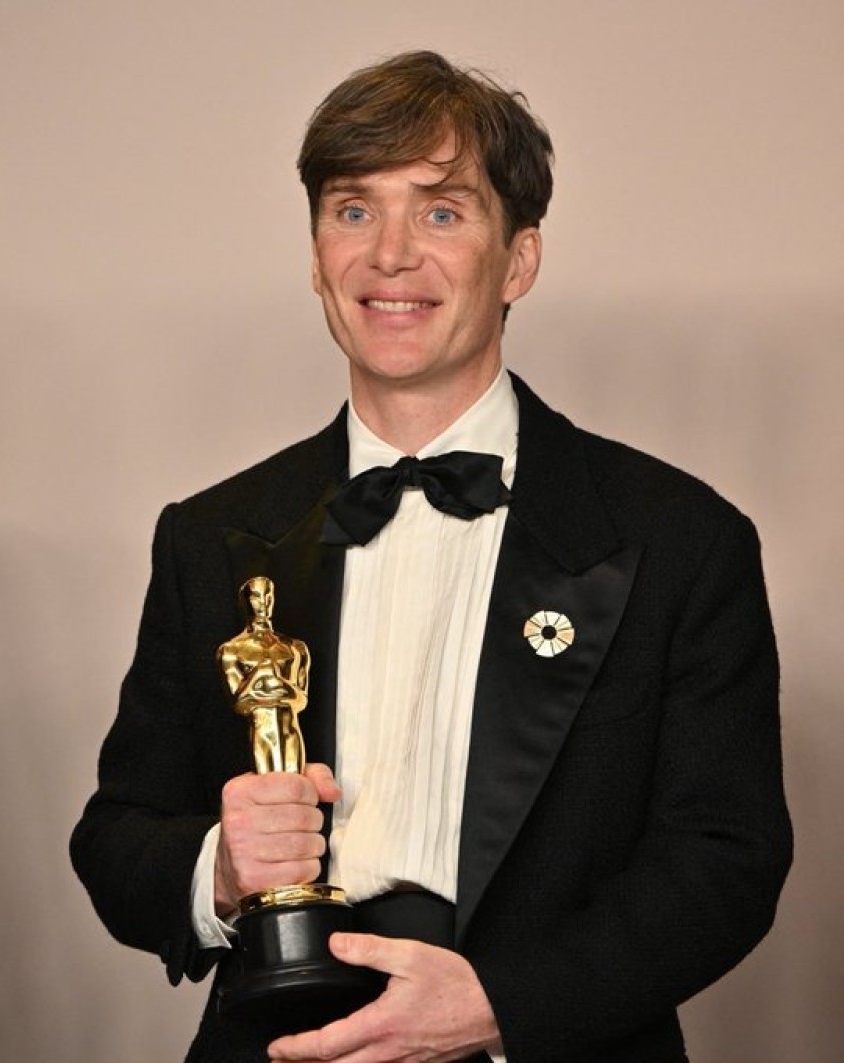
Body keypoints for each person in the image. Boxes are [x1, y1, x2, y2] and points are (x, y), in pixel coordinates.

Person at [71, 51, 792, 1063]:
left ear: (519, 259)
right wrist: (218, 868)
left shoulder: (680, 536)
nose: (389, 255)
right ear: (316, 254)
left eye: (441, 212)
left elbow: (725, 857)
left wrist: (501, 1003)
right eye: (352, 210)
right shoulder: (210, 533)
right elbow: (117, 835)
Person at [218, 576, 310, 775]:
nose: (263, 603)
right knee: (269, 784)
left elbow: (302, 699)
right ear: (246, 602)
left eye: (268, 597)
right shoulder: (232, 650)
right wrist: (265, 677)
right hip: (261, 729)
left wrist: (266, 683)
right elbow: (239, 702)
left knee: (296, 782)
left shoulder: (295, 648)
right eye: (256, 597)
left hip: (290, 730)